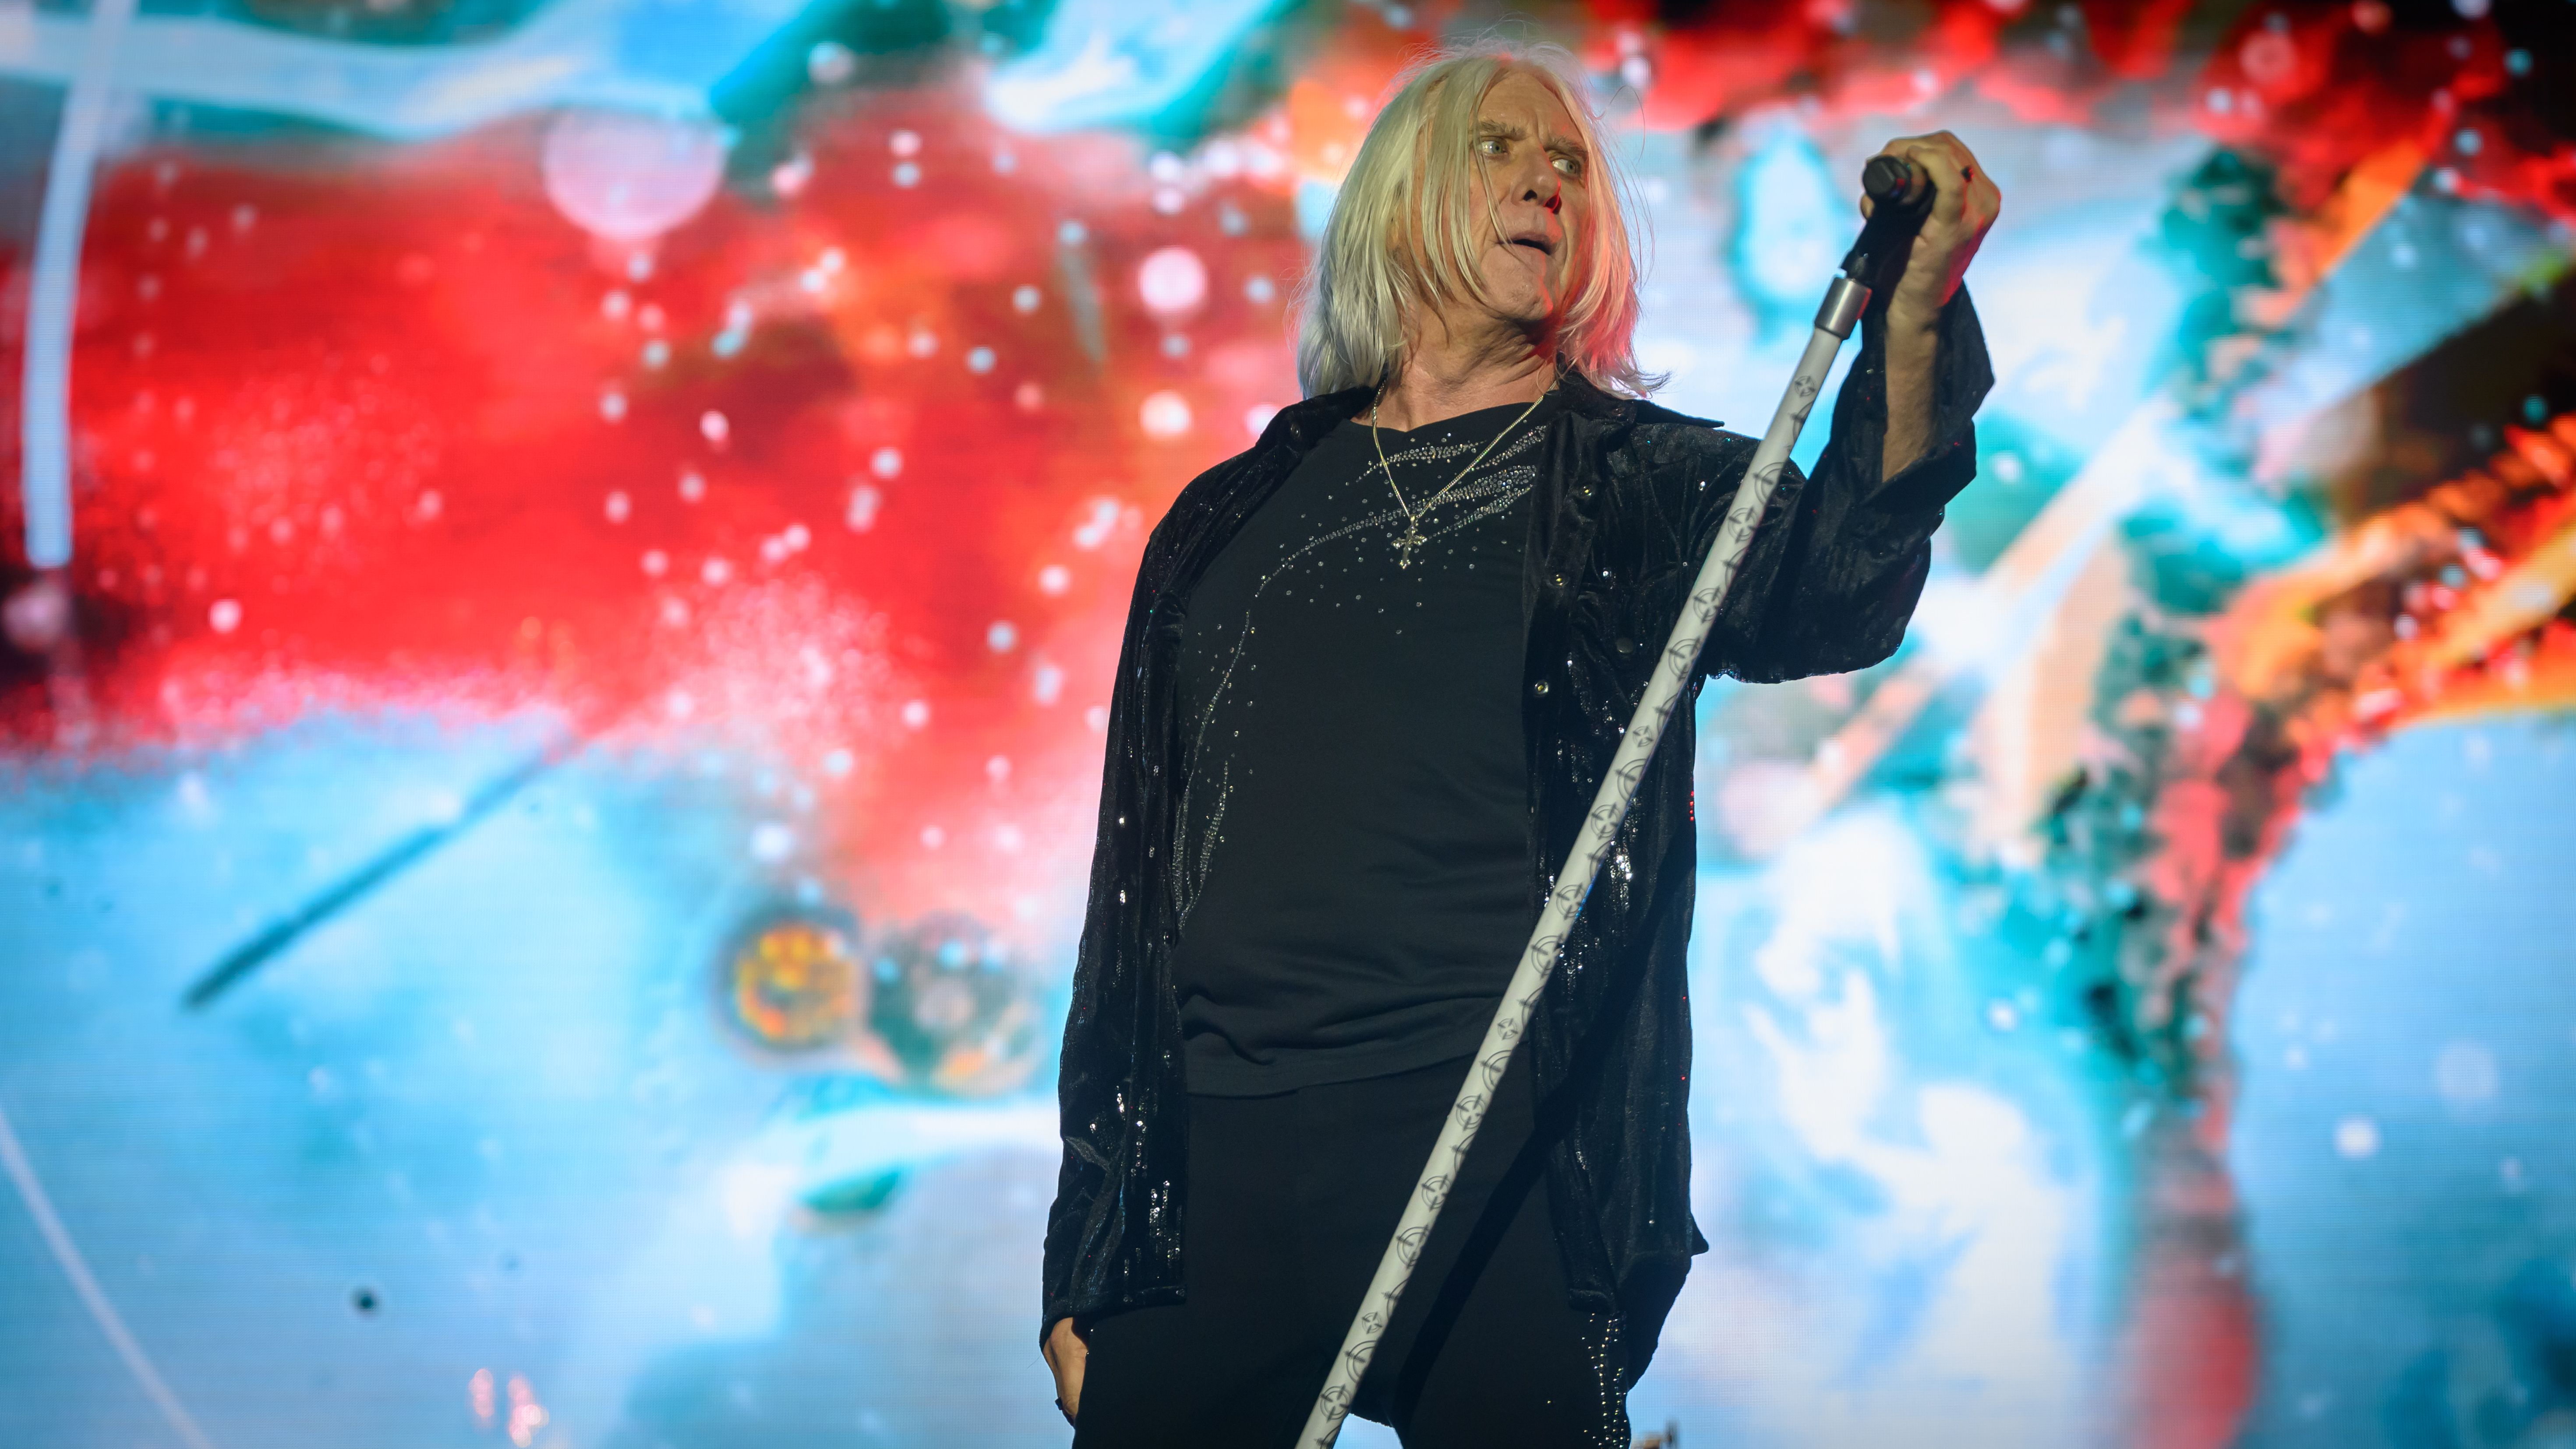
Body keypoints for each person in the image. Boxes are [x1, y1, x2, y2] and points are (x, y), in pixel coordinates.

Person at [1042, 36, 1999, 1447]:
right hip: (1224, 1158)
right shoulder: (1224, 520)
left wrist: (1912, 309)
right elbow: (1125, 906)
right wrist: (1087, 1248)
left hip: (1500, 1149)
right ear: (1397, 196)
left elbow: (1841, 587)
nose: (1545, 180)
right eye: (1499, 147)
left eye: (1570, 165)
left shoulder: (1644, 487)